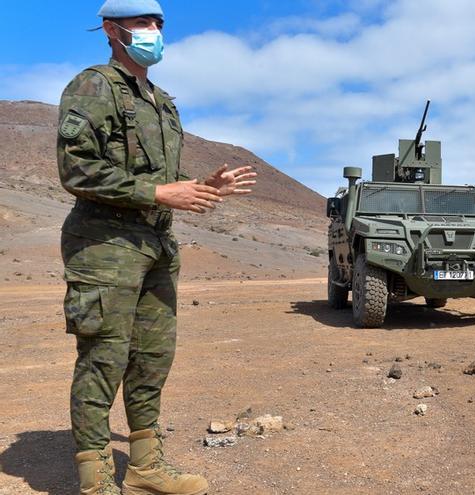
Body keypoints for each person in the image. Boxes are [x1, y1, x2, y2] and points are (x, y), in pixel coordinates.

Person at [58, 1, 256, 493]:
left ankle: (145, 467)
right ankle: (97, 479)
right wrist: (158, 192)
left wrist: (200, 185)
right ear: (111, 29)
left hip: (156, 244)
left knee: (151, 357)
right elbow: (76, 169)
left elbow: (158, 179)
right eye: (144, 23)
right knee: (104, 357)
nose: (154, 32)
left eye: (159, 23)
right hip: (104, 244)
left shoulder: (162, 101)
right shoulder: (94, 86)